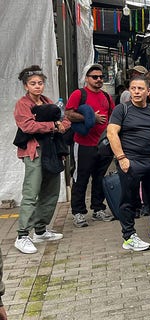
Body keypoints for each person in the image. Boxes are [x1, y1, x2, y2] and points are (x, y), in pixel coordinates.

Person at [106, 75, 150, 251]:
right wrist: (121, 158)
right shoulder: (122, 109)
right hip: (130, 160)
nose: (136, 92)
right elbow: (112, 133)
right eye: (133, 88)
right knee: (129, 200)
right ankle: (129, 237)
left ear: (148, 92)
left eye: (140, 88)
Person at [13, 65, 68, 254]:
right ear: (26, 86)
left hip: (51, 151)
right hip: (34, 152)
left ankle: (41, 229)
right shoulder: (23, 104)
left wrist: (60, 125)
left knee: (51, 191)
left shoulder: (47, 100)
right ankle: (22, 235)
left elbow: (64, 118)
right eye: (33, 83)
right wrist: (54, 125)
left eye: (40, 83)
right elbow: (27, 126)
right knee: (31, 192)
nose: (37, 86)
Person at [65, 64, 116, 228]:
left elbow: (113, 116)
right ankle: (78, 212)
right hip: (84, 144)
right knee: (81, 178)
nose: (99, 79)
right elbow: (68, 114)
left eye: (101, 77)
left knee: (100, 178)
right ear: (87, 78)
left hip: (103, 144)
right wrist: (90, 117)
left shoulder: (107, 97)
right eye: (95, 77)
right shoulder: (79, 94)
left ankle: (98, 209)